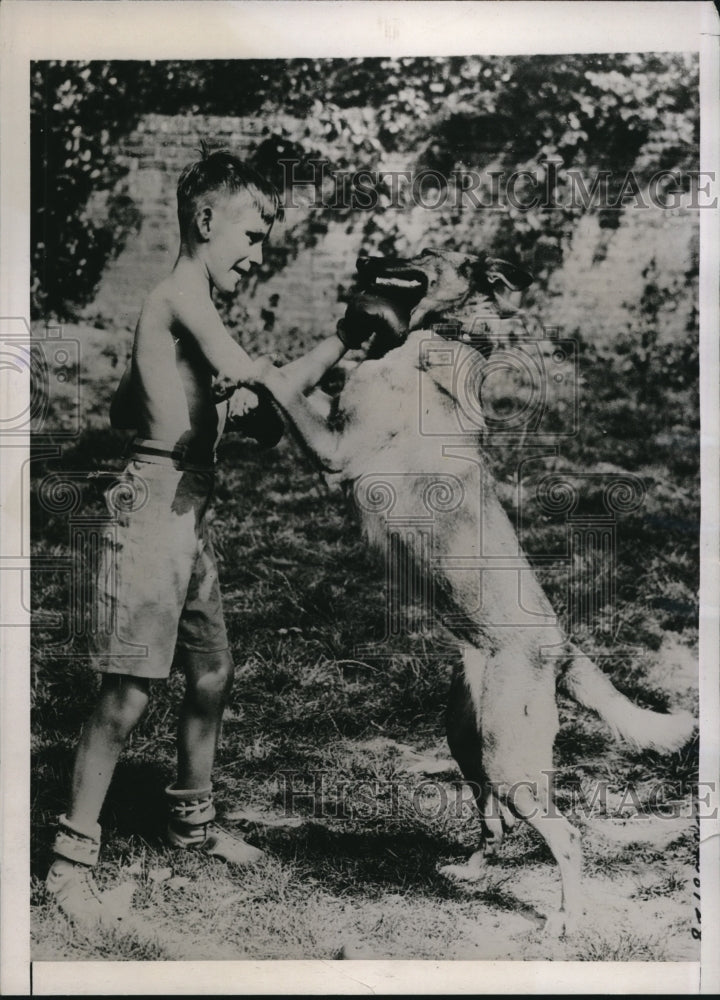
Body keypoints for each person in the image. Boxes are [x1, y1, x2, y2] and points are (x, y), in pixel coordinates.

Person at [46, 147, 360, 924]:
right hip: (154, 510)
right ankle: (67, 861)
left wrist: (225, 412)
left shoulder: (183, 306)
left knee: (213, 671)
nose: (258, 255)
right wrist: (324, 374)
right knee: (127, 689)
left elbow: (140, 408)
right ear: (207, 220)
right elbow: (248, 373)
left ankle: (192, 823)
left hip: (190, 506)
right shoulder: (182, 292)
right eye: (253, 236)